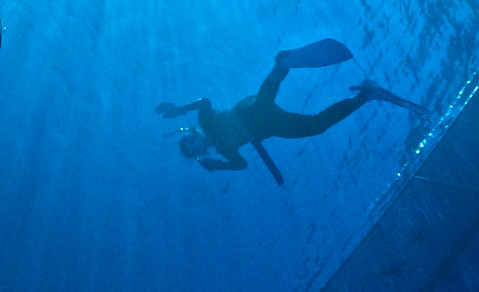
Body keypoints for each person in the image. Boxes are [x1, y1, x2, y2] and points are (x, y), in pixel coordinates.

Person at [157, 40, 429, 179]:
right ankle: (367, 95)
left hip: (250, 112)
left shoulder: (205, 121)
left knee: (263, 99)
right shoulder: (224, 152)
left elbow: (204, 101)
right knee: (315, 127)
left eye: (190, 141)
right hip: (267, 127)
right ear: (200, 153)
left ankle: (283, 64)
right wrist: (217, 165)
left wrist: (180, 109)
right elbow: (241, 164)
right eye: (194, 149)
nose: (195, 144)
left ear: (192, 135)